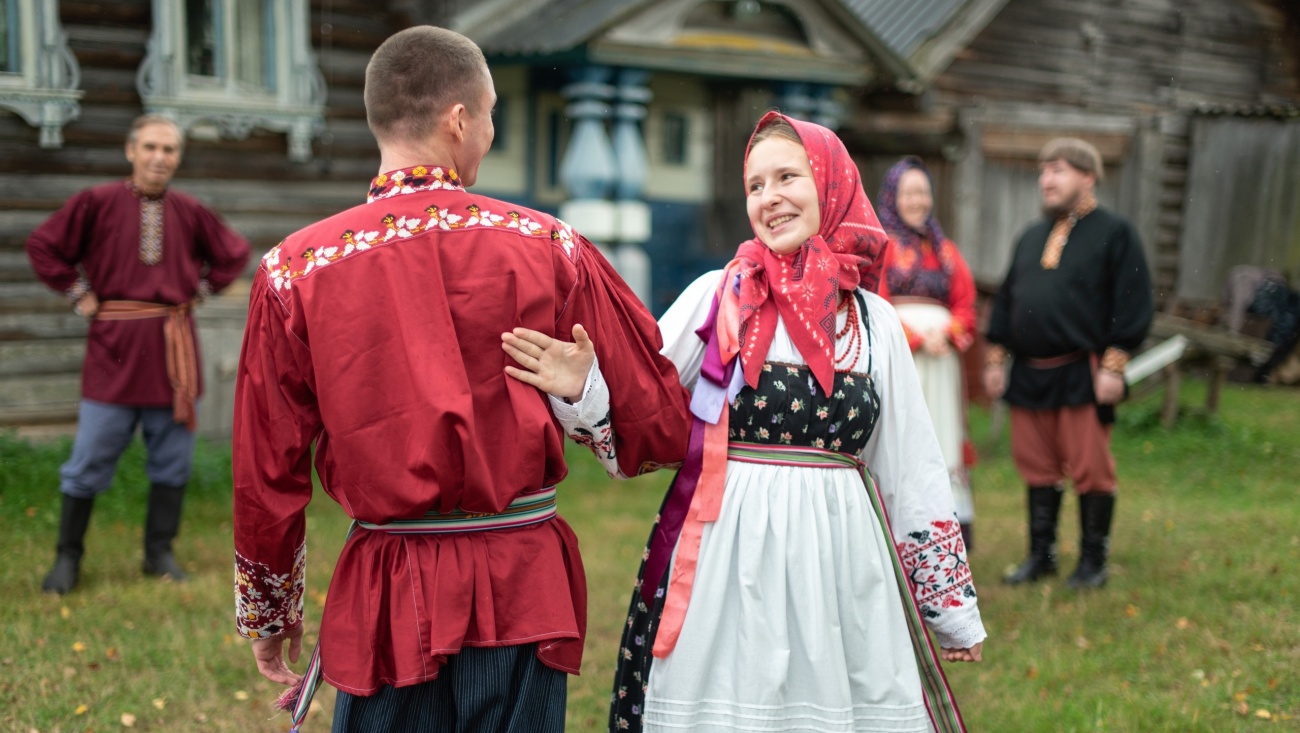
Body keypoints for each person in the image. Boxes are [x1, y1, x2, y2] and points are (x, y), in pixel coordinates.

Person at [230, 26, 690, 733]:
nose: (491, 132)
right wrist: (586, 392)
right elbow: (656, 429)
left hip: (389, 588)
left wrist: (270, 613)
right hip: (520, 585)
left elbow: (266, 468)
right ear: (459, 119)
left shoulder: (295, 271)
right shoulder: (553, 249)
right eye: (493, 114)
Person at [509, 112, 986, 733]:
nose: (770, 197)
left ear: (830, 184)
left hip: (841, 557)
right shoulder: (717, 295)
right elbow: (649, 405)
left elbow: (911, 466)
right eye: (755, 186)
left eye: (788, 176)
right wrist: (586, 386)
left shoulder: (873, 322)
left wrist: (949, 608)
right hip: (730, 550)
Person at [26, 114, 251, 594]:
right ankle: (67, 559)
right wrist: (78, 291)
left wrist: (202, 290)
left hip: (174, 359)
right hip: (114, 353)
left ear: (178, 157)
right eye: (150, 147)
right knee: (88, 459)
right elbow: (44, 246)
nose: (159, 157)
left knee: (172, 461)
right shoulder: (96, 202)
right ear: (131, 151)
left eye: (169, 149)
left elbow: (233, 253)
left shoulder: (190, 210)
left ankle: (159, 553)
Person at [985, 137, 1153, 590]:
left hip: (1083, 371)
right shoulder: (1030, 236)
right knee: (1036, 468)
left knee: (1090, 469)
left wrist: (1114, 366)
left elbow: (1132, 302)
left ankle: (1092, 563)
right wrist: (997, 357)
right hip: (1029, 374)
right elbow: (1006, 301)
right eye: (1043, 171)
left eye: (1057, 170)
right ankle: (1042, 556)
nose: (1046, 180)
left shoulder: (1116, 233)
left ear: (1087, 176)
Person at [876, 156, 979, 550]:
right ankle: (898, 532)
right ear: (893, 197)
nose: (918, 200)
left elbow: (966, 304)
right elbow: (875, 302)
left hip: (941, 362)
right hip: (900, 357)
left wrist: (949, 333)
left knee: (942, 435)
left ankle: (946, 533)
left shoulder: (946, 251)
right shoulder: (880, 246)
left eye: (923, 192)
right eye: (909, 192)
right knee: (901, 434)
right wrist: (916, 338)